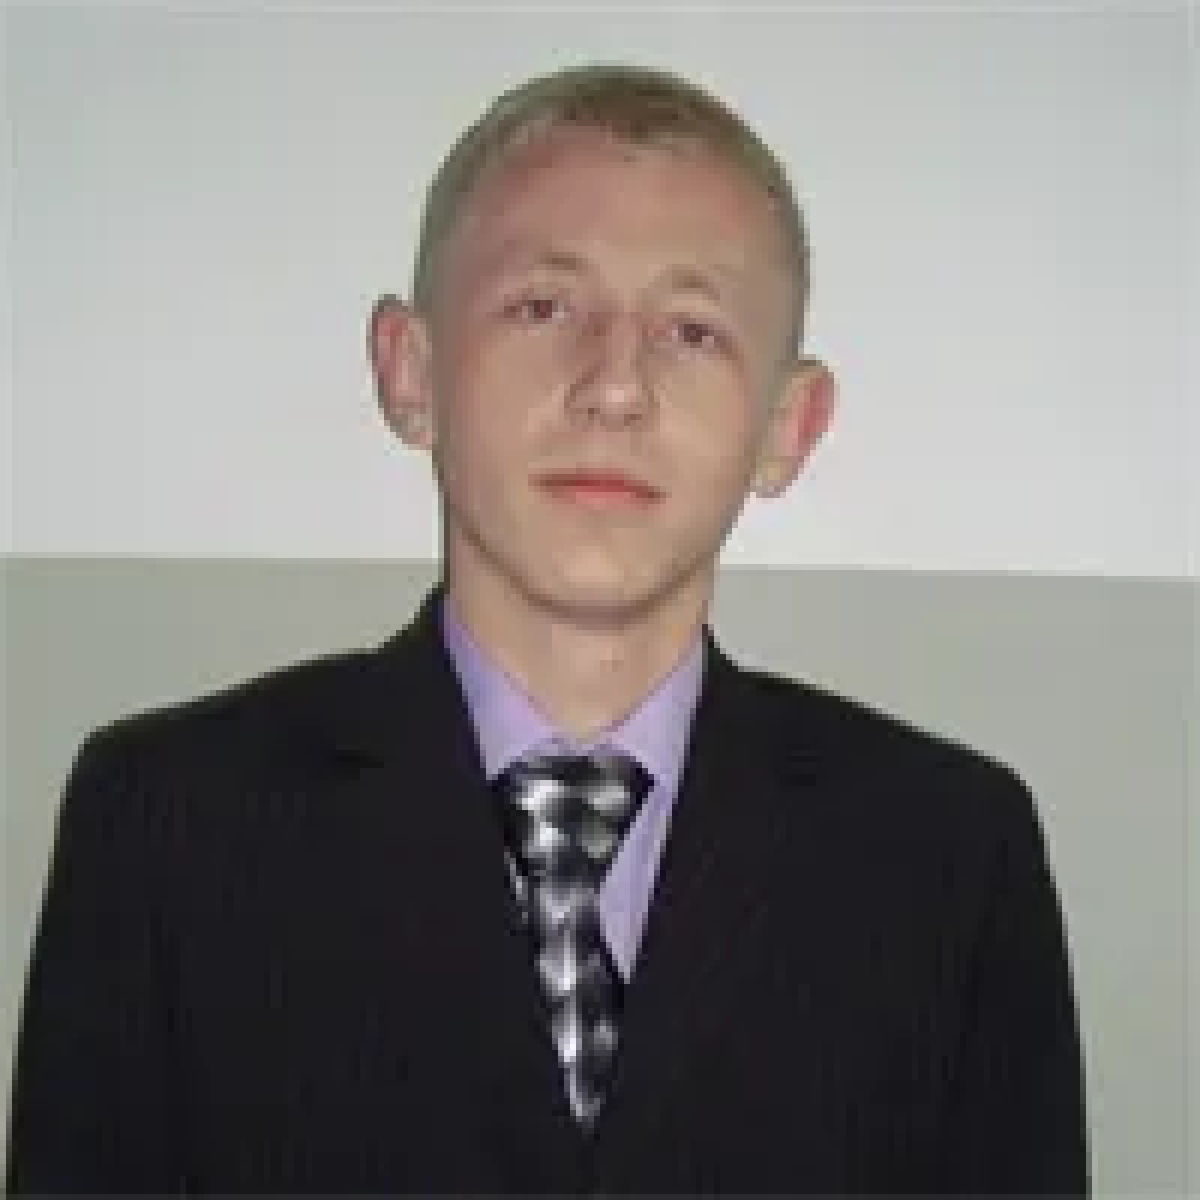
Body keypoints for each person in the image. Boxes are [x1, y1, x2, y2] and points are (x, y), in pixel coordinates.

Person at [5, 62, 1089, 1193]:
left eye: (692, 331)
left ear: (789, 426)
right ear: (411, 372)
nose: (614, 387)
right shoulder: (171, 825)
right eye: (543, 307)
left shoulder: (948, 858)